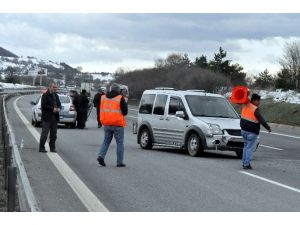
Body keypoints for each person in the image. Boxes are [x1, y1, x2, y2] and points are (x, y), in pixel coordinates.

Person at [97, 83, 128, 167]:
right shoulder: (120, 98)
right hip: (117, 124)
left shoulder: (103, 98)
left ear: (111, 89)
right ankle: (119, 162)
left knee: (106, 141)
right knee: (120, 143)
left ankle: (101, 156)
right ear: (118, 90)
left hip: (107, 123)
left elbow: (101, 109)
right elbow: (125, 112)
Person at [240, 93, 271, 169]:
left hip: (243, 130)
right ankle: (247, 164)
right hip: (251, 132)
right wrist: (268, 128)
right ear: (254, 100)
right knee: (249, 148)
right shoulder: (255, 109)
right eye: (258, 101)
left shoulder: (245, 105)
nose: (259, 103)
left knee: (245, 147)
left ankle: (244, 162)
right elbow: (262, 121)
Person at [39, 83, 61, 153]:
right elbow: (44, 105)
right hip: (47, 118)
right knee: (44, 134)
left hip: (55, 118)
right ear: (50, 87)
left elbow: (59, 104)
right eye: (54, 87)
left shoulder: (56, 95)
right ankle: (41, 147)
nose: (55, 89)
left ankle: (52, 148)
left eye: (56, 88)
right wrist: (52, 109)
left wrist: (59, 108)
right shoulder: (45, 95)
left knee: (54, 135)